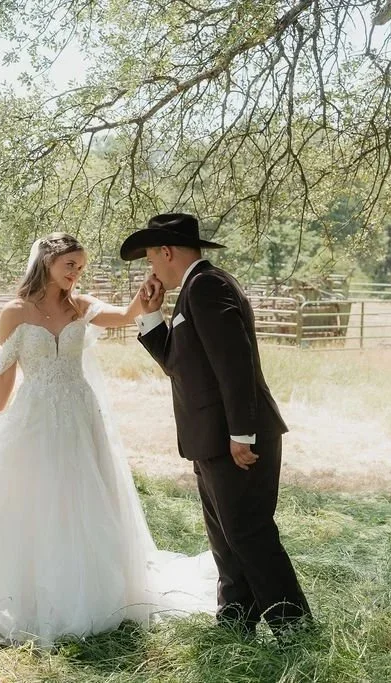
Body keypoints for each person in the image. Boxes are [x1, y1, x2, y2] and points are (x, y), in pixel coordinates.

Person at [0, 232, 215, 647]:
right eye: (70, 265)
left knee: (81, 497)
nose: (76, 273)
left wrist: (147, 295)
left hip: (78, 415)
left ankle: (88, 588)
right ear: (47, 262)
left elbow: (125, 315)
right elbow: (4, 376)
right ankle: (31, 591)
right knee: (34, 499)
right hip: (33, 416)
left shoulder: (81, 306)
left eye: (81, 267)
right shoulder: (15, 312)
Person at [120, 213, 313, 639]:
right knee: (227, 540)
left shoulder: (207, 285)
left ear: (166, 252)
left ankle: (294, 630)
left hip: (236, 438)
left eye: (151, 259)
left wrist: (242, 433)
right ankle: (235, 623)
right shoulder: (190, 292)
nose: (150, 270)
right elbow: (179, 365)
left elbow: (234, 361)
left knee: (250, 535)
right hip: (209, 440)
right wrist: (152, 317)